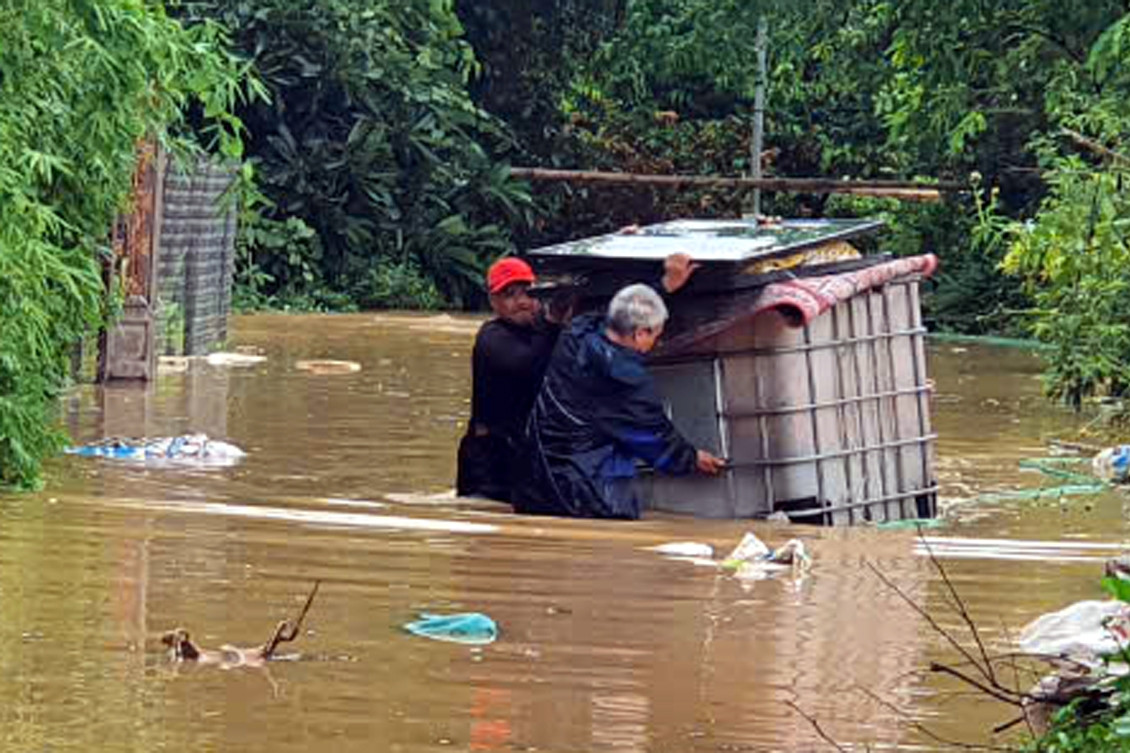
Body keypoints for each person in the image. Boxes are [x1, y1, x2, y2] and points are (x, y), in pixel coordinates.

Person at [456, 254, 700, 502]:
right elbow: (527, 363)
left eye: (527, 293)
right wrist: (554, 323)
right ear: (493, 301)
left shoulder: (552, 327)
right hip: (490, 459)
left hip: (530, 454)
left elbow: (613, 317)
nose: (522, 302)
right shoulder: (491, 338)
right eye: (510, 295)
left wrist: (662, 286)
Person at [512, 283, 726, 519]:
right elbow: (654, 439)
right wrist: (691, 458)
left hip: (533, 483)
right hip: (583, 498)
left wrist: (664, 285)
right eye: (655, 336)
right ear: (640, 333)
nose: (654, 345)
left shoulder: (576, 332)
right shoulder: (625, 381)